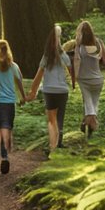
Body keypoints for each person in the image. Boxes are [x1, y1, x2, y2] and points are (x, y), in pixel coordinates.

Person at [26, 24, 73, 156]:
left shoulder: (46, 57)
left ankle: (53, 147)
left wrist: (33, 92)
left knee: (51, 120)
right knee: (60, 118)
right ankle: (59, 143)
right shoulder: (64, 55)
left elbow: (38, 76)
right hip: (62, 91)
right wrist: (72, 82)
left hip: (49, 90)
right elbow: (71, 71)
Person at [0, 38, 27, 175]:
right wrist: (23, 97)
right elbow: (20, 81)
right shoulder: (13, 66)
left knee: (1, 126)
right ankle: (5, 151)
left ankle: (4, 156)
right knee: (8, 127)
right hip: (10, 102)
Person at [66, 20, 105, 139]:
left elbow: (75, 61)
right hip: (98, 79)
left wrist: (74, 79)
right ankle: (87, 127)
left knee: (89, 103)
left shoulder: (79, 46)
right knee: (93, 103)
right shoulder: (99, 43)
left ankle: (91, 121)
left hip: (84, 79)